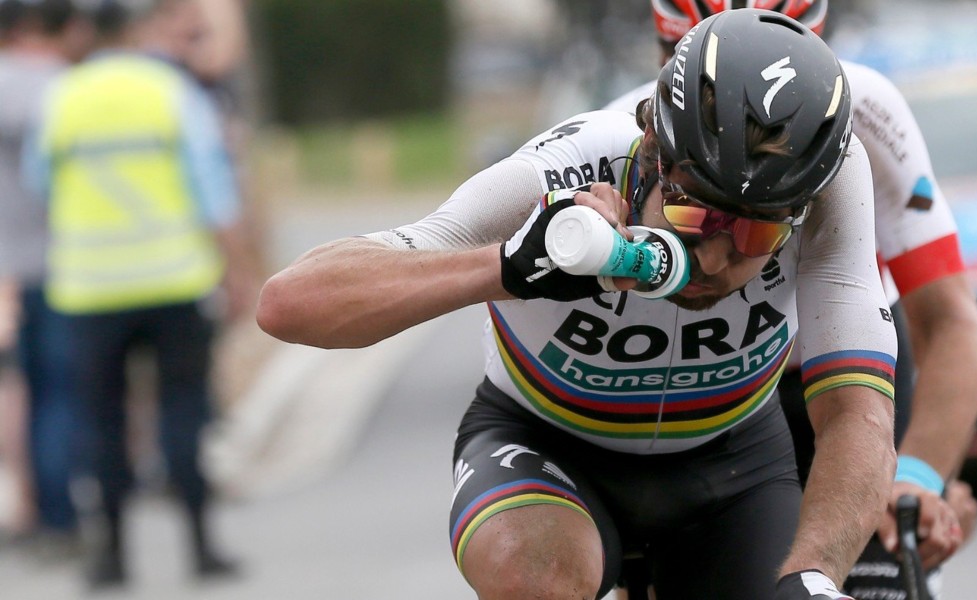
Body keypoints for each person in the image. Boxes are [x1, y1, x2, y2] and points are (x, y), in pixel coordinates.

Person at [260, 9, 918, 599]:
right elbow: (289, 304)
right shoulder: (566, 169)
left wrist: (814, 577)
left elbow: (859, 415)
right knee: (535, 576)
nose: (717, 259)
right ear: (654, 152)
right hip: (550, 446)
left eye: (758, 232)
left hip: (733, 462)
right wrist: (512, 266)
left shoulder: (830, 186)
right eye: (697, 214)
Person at [605, 1, 977, 595]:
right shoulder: (623, 131)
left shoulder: (869, 108)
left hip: (844, 375)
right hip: (712, 393)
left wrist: (917, 480)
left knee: (882, 571)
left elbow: (951, 324)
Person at [25, 0, 254, 587]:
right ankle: (202, 548)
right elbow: (214, 187)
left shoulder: (61, 97)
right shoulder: (170, 92)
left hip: (89, 289)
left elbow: (39, 181)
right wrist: (237, 272)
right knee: (185, 410)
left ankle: (113, 559)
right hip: (174, 277)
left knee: (100, 423)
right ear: (136, 31)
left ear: (83, 35)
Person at [0, 0, 92, 559]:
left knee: (18, 392)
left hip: (3, 268)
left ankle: (28, 507)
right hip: (57, 264)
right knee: (61, 392)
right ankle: (60, 515)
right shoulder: (60, 88)